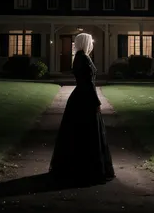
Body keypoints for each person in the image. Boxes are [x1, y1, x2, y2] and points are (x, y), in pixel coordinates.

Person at [49, 32, 115, 185]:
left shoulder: (81, 57)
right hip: (84, 98)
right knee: (87, 132)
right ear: (85, 43)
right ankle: (86, 169)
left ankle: (79, 167)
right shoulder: (83, 58)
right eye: (90, 41)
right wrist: (96, 101)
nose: (92, 43)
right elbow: (88, 83)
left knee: (80, 132)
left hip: (80, 97)